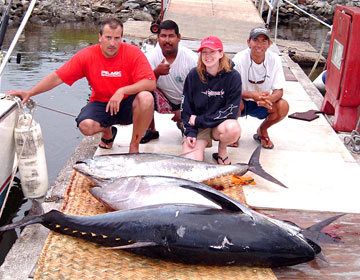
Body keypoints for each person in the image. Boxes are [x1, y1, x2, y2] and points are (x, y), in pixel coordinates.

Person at [7, 18, 156, 153]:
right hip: (102, 103)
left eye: (117, 38)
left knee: (146, 98)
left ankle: (134, 145)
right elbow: (57, 78)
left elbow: (150, 82)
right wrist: (30, 93)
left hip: (127, 103)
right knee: (85, 126)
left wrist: (122, 91)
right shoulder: (87, 55)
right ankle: (107, 132)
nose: (112, 43)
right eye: (108, 37)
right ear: (100, 37)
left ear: (121, 38)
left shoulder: (133, 53)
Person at [181, 36, 242, 165]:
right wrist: (190, 132)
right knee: (190, 166)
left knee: (233, 128)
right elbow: (186, 108)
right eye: (204, 52)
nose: (208, 56)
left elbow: (231, 112)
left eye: (212, 51)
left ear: (221, 53)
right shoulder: (193, 75)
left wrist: (200, 119)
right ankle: (197, 145)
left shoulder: (233, 76)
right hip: (198, 128)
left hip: (219, 125)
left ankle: (222, 150)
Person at [140, 20, 198, 144]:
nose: (167, 40)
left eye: (171, 36)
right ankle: (151, 129)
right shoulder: (150, 57)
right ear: (158, 37)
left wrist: (183, 110)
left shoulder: (191, 59)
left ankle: (184, 122)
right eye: (163, 36)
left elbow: (200, 90)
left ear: (179, 38)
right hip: (164, 99)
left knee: (192, 138)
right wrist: (156, 73)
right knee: (143, 91)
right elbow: (141, 83)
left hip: (187, 100)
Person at [232, 26, 289, 149]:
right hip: (242, 100)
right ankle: (234, 132)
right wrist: (253, 95)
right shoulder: (239, 58)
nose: (259, 45)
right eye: (255, 40)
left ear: (270, 44)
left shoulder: (274, 60)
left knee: (283, 106)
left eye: (264, 41)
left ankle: (262, 130)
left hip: (263, 102)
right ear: (248, 42)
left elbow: (279, 90)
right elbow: (231, 90)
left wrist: (270, 99)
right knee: (231, 102)